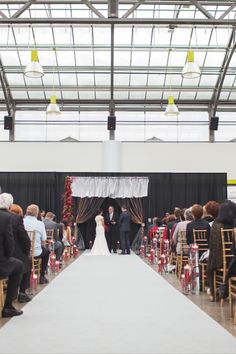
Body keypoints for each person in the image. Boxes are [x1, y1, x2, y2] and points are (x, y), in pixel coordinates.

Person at [0, 193, 24, 317]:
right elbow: (9, 243)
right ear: (9, 205)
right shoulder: (6, 217)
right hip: (1, 262)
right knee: (19, 265)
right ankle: (8, 306)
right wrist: (8, 256)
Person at [207, 200, 236, 301]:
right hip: (233, 261)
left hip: (222, 261)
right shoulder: (234, 224)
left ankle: (214, 293)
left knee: (210, 267)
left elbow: (213, 246)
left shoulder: (217, 224)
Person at [10, 203, 32, 303]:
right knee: (27, 260)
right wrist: (27, 251)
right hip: (12, 255)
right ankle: (22, 292)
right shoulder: (16, 220)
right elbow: (25, 240)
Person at [24, 204, 50, 284]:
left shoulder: (21, 221)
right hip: (35, 253)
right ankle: (42, 276)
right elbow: (43, 240)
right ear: (37, 213)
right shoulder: (40, 224)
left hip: (23, 252)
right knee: (47, 251)